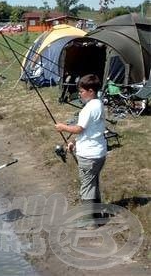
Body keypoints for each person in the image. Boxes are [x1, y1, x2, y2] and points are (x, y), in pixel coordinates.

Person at [55, 74, 107, 229]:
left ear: (91, 91)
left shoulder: (88, 109)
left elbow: (79, 129)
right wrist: (74, 143)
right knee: (93, 184)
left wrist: (62, 127)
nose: (80, 93)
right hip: (99, 153)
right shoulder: (99, 103)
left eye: (82, 91)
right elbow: (90, 131)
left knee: (87, 187)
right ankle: (98, 216)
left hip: (89, 156)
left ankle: (90, 222)